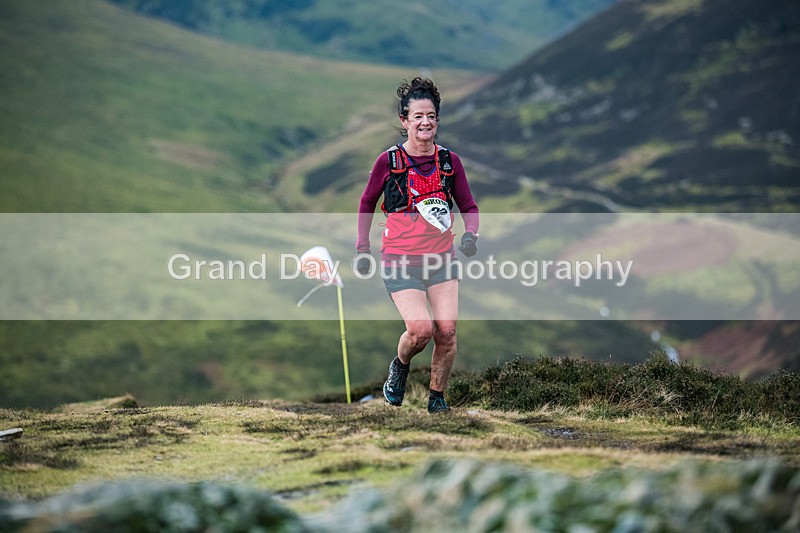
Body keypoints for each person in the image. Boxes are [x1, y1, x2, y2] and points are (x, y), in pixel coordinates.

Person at [355, 77, 480, 414]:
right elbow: (367, 202)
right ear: (404, 121)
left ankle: (436, 399)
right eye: (418, 116)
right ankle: (399, 368)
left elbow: (468, 206)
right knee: (420, 330)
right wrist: (362, 249)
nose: (425, 122)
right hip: (399, 259)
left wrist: (471, 235)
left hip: (441, 259)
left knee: (447, 332)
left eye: (431, 116)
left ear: (437, 120)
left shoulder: (449, 163)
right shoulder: (389, 162)